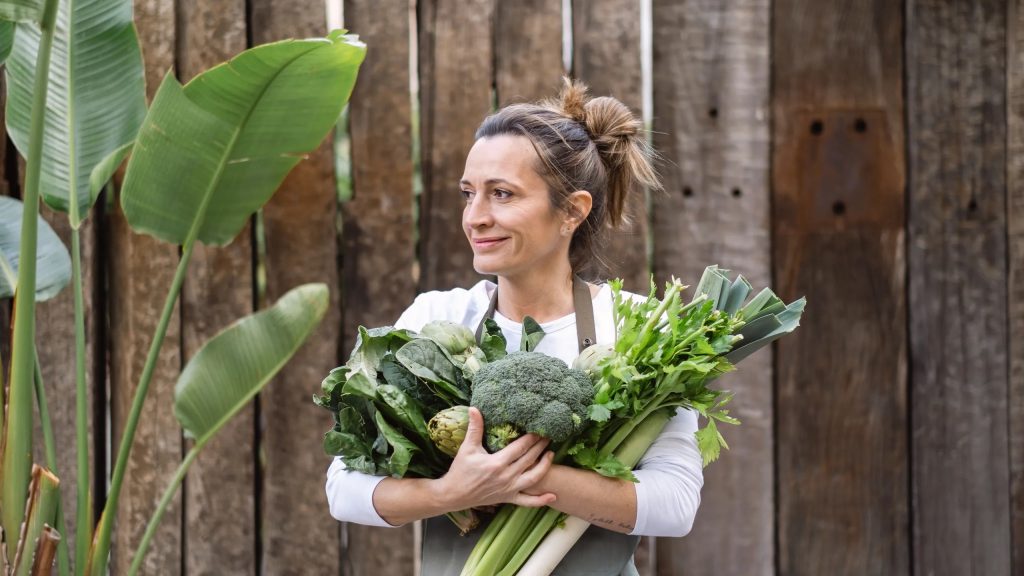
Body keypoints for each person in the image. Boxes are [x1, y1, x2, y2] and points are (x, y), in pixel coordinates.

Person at [325, 78, 703, 575]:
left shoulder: (639, 327)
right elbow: (344, 488)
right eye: (469, 194)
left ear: (572, 210)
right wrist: (452, 491)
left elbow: (675, 504)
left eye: (501, 194)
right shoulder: (436, 320)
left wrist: (515, 475)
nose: (475, 217)